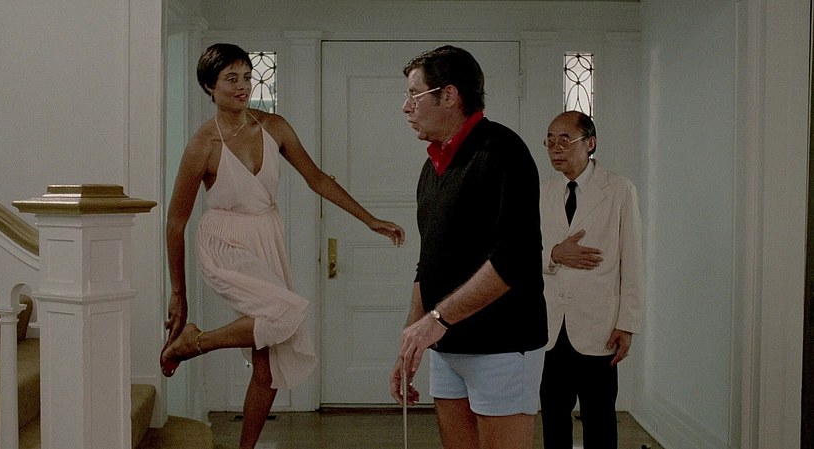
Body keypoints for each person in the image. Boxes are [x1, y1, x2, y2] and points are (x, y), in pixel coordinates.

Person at [161, 43, 405, 449]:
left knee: (270, 363)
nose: (243, 86)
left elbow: (317, 179)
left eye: (246, 76)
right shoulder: (203, 144)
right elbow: (175, 222)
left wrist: (369, 219)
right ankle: (193, 343)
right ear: (209, 86)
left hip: (267, 237)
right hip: (224, 240)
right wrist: (178, 293)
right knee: (284, 313)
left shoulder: (275, 127)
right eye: (231, 79)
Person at [388, 45, 547, 449]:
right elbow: (427, 264)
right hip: (447, 345)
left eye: (414, 94)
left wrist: (436, 319)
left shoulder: (503, 151)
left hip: (502, 345)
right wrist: (411, 340)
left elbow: (513, 260)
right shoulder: (431, 168)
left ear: (449, 95)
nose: (406, 106)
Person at [538, 110, 644, 449]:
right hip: (552, 327)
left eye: (565, 140)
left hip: (599, 324)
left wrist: (627, 323)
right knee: (553, 415)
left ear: (590, 143)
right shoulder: (543, 193)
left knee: (599, 419)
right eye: (550, 141)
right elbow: (523, 255)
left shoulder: (619, 189)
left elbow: (633, 260)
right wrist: (554, 254)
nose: (556, 148)